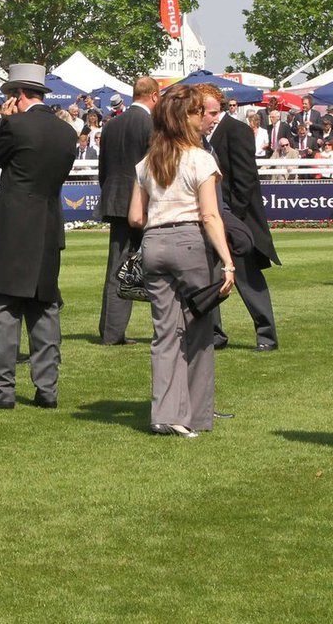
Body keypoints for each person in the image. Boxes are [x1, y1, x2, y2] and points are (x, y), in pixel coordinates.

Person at [130, 86, 236, 438]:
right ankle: (193, 415)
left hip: (153, 243)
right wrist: (228, 261)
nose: (201, 118)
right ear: (185, 118)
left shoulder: (147, 162)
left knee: (165, 334)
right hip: (189, 242)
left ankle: (164, 414)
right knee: (200, 331)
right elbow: (210, 215)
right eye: (196, 112)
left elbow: (135, 216)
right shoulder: (199, 158)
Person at [0, 64, 77, 410]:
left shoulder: (13, 126)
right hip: (47, 224)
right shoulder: (66, 132)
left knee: (3, 309)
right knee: (43, 308)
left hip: (12, 226)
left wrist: (1, 123)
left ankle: (1, 391)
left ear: (16, 96)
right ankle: (47, 389)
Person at [208, 88, 282, 352]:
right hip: (211, 216)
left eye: (214, 111)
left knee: (248, 278)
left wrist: (232, 218)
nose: (210, 117)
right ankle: (213, 334)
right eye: (207, 112)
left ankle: (266, 335)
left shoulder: (236, 130)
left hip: (235, 218)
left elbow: (246, 177)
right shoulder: (197, 134)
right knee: (210, 275)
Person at [96, 76, 158, 345]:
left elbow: (103, 168)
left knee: (117, 266)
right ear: (154, 96)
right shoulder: (151, 124)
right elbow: (154, 170)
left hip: (114, 198)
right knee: (154, 266)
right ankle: (164, 329)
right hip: (140, 203)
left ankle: (111, 331)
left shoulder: (111, 124)